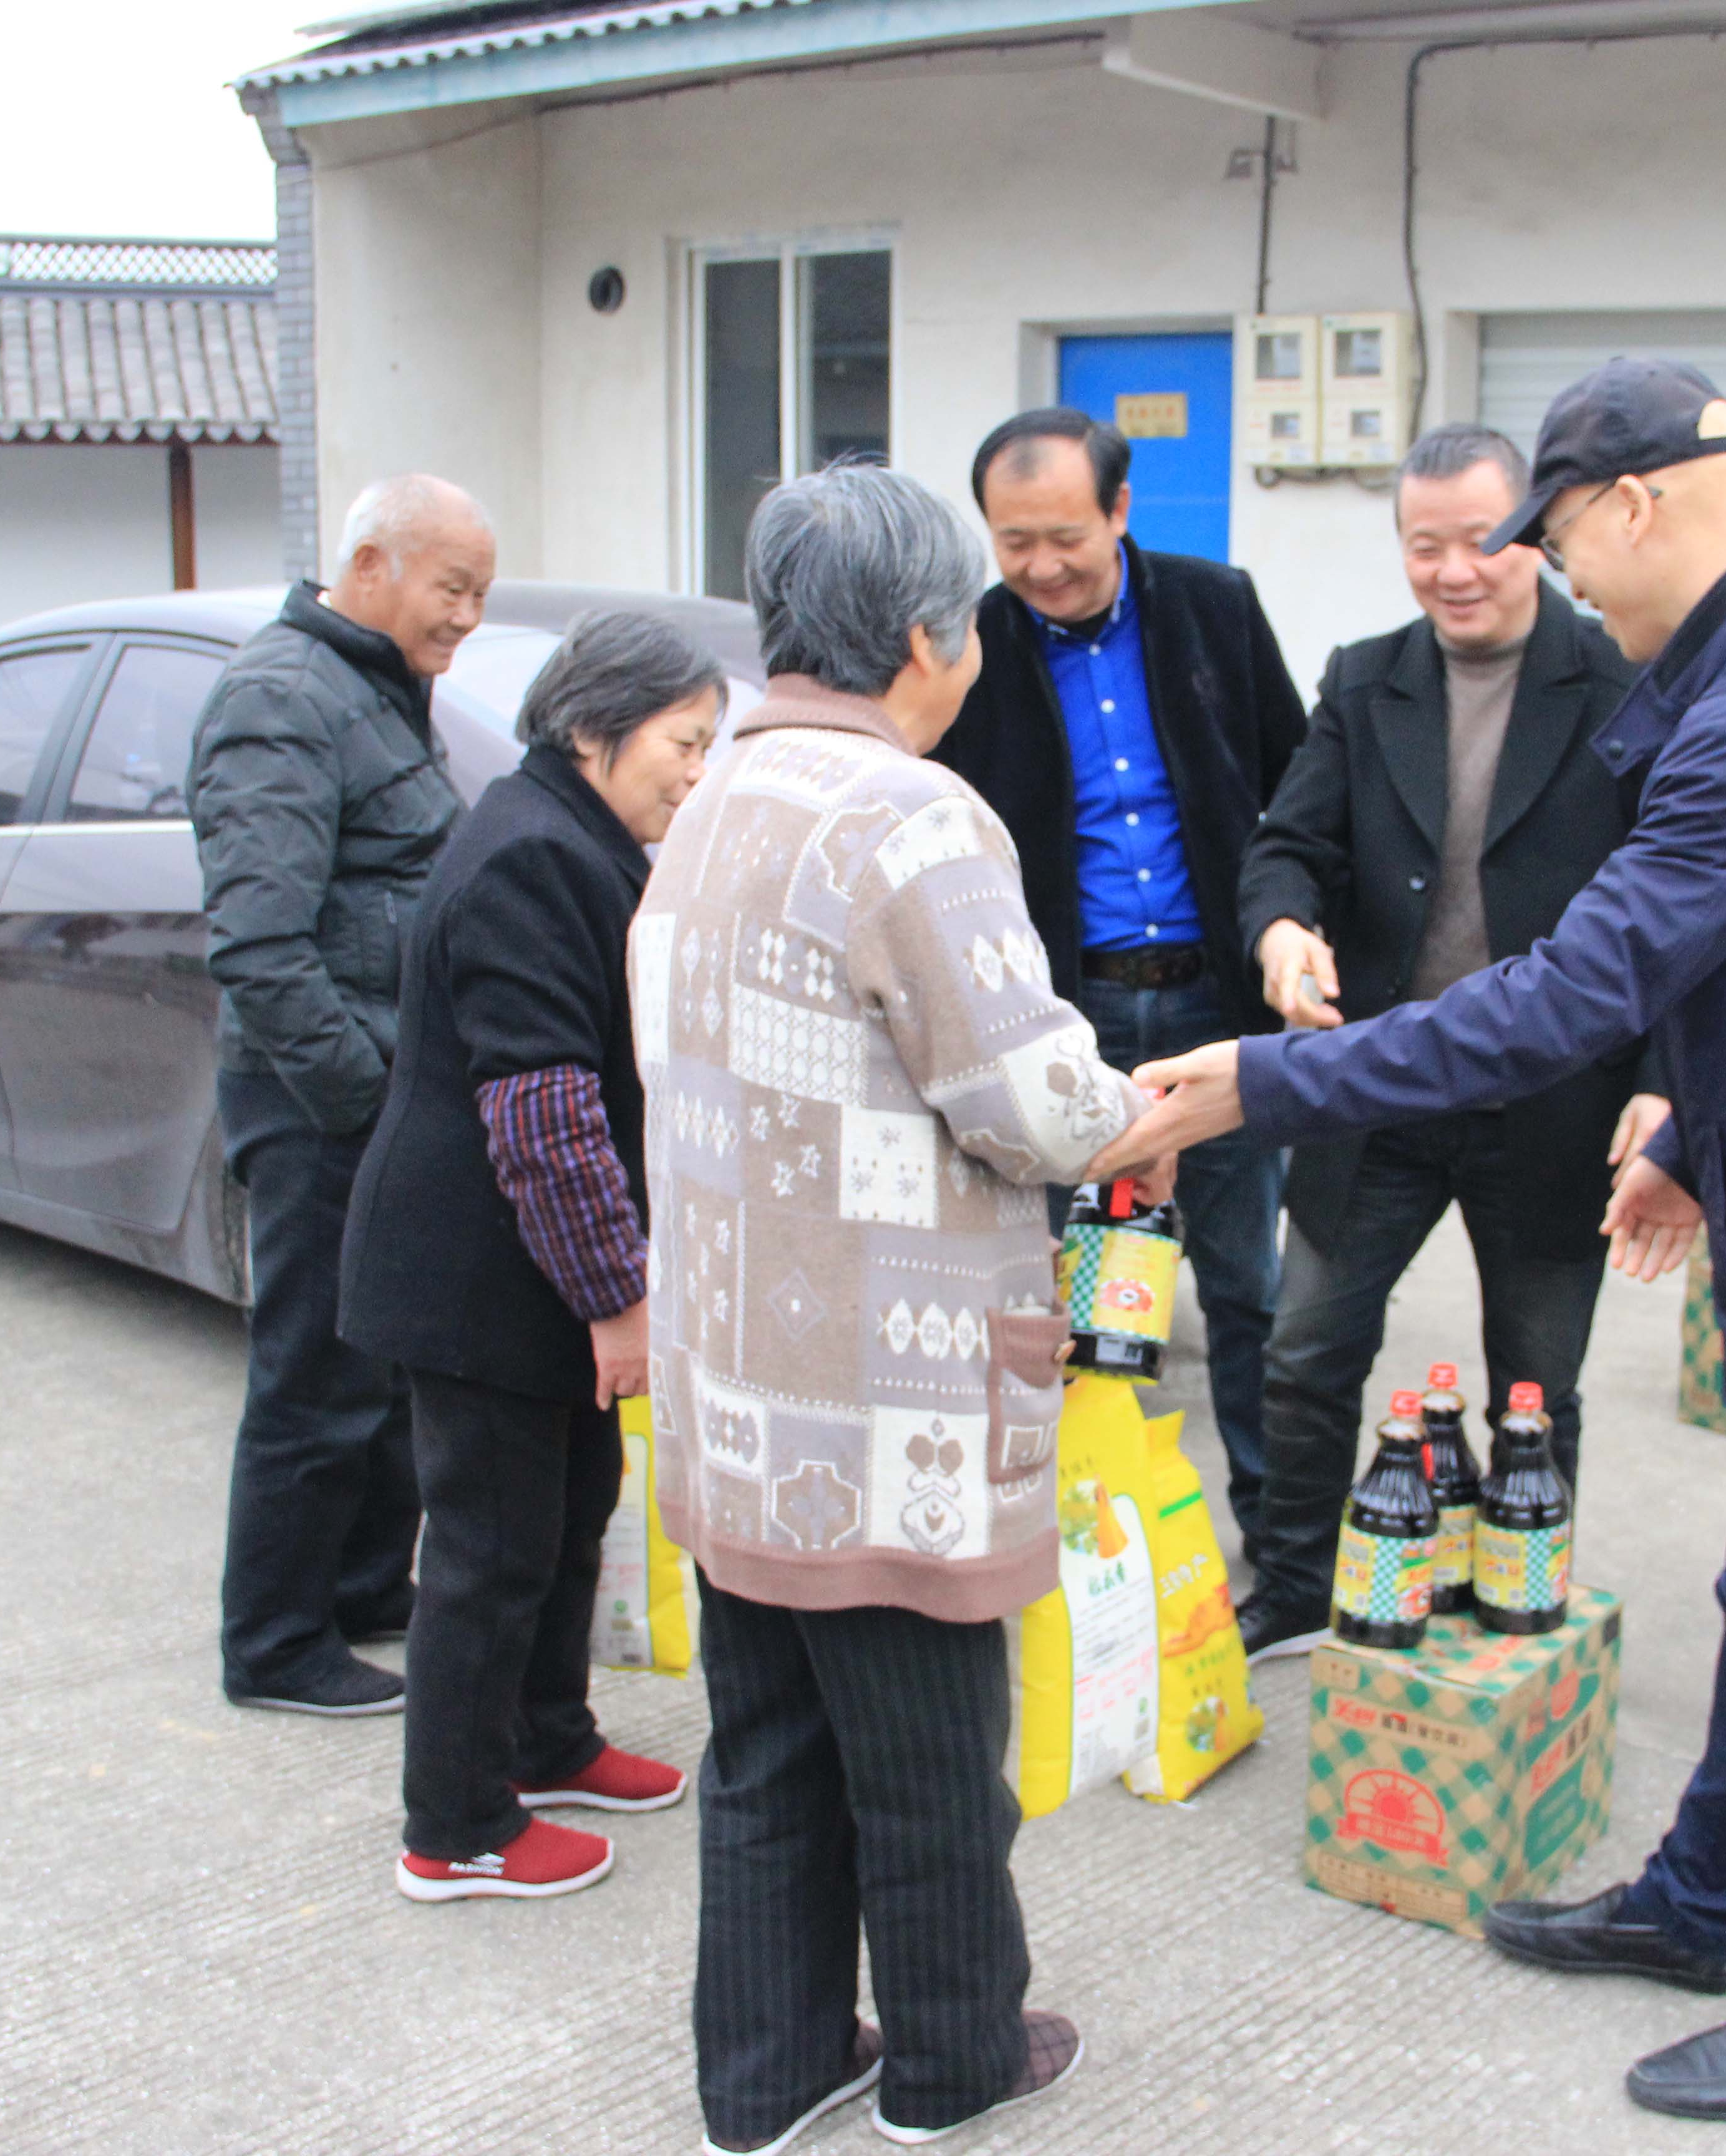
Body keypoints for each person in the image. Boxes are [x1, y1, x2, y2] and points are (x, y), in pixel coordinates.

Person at [1092, 361, 1726, 2123]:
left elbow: (1573, 994)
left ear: (1632, 503)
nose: (1543, 570)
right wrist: (1690, 1132)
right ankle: (1697, 1910)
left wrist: (1263, 1083)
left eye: (1553, 532)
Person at [635, 462, 1167, 2155]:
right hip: (881, 1396)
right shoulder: (908, 814)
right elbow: (1029, 1099)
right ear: (931, 636)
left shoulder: (714, 790)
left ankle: (768, 2072)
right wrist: (1143, 1103)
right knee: (933, 1761)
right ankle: (952, 2062)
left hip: (739, 1376)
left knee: (766, 1748)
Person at [1229, 422, 1664, 1661]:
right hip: (1380, 1087)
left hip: (1553, 1098)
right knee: (1307, 1350)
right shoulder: (1368, 679)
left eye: (1483, 540)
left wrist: (1663, 1085)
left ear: (1536, 534)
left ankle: (1513, 1599)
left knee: (1536, 1384)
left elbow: (1679, 906)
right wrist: (1282, 930)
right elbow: (1288, 845)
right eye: (1426, 546)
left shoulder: (1624, 684)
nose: (1455, 571)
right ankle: (1294, 1585)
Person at [338, 611, 724, 1901]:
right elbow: (543, 1114)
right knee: (490, 1549)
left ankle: (547, 1738)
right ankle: (454, 1826)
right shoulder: (533, 856)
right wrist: (618, 1300)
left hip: (529, 1270)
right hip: (478, 1276)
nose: (696, 772)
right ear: (594, 727)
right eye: (683, 742)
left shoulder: (572, 833)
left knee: (570, 1516)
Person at [928, 408, 1304, 1548]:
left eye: (1066, 537)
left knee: (1245, 1284)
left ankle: (1274, 1541)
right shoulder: (971, 645)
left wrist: (1291, 932)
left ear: (1120, 511)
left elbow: (1294, 785)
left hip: (1213, 1004)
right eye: (1014, 542)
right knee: (1057, 1287)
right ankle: (1066, 1542)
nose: (1042, 566)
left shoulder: (1214, 607)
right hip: (1064, 1016)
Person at [191, 474, 490, 1716]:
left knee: (382, 1367)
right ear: (370, 566)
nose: (467, 616)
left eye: (481, 594)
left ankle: (365, 1589)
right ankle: (273, 1643)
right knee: (312, 1377)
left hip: (379, 1087)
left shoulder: (376, 686)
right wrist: (369, 1103)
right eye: (452, 588)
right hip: (318, 1098)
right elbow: (261, 947)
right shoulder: (282, 698)